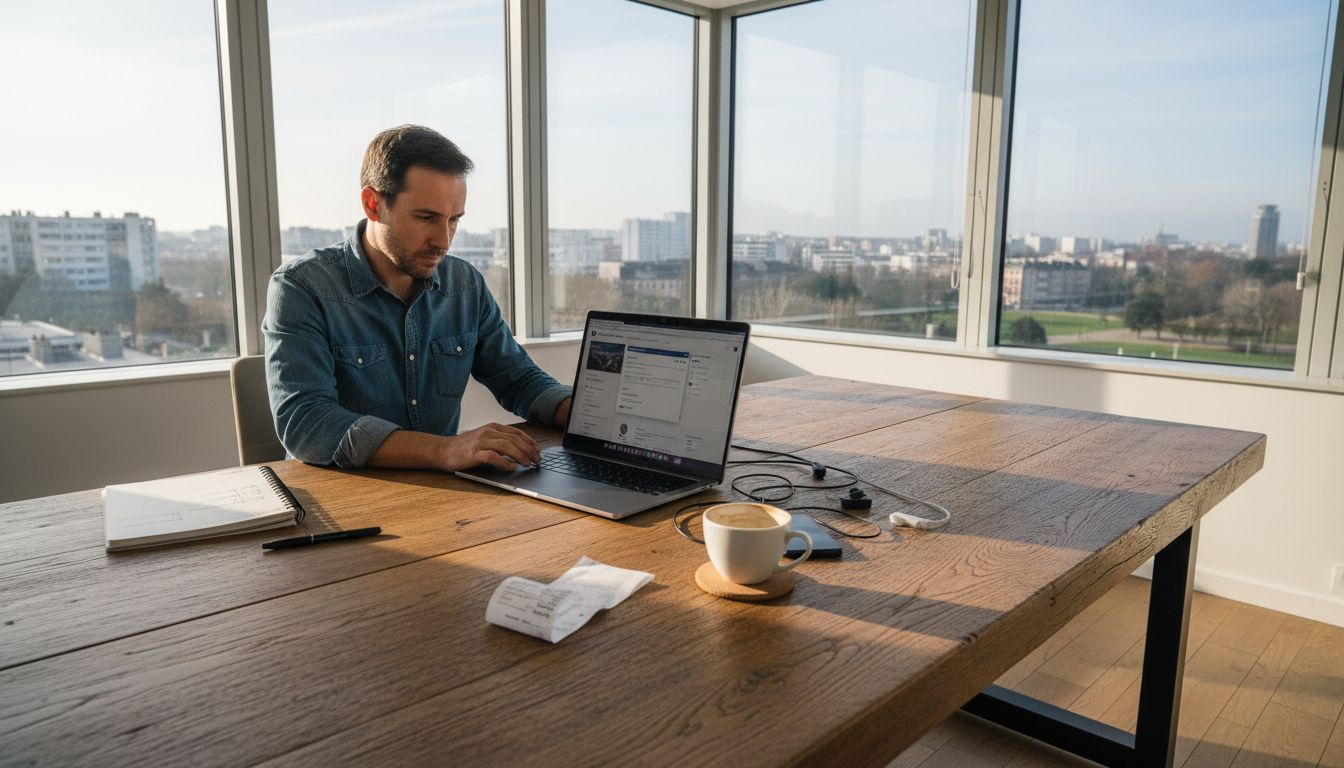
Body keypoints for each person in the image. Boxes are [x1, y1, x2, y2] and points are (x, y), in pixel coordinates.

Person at [263, 125, 572, 472]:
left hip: (441, 500)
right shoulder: (302, 287)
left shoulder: (464, 284)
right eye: (426, 218)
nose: (443, 240)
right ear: (373, 204)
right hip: (341, 500)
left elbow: (518, 379)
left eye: (454, 220)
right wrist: (444, 450)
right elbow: (306, 424)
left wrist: (589, 415)